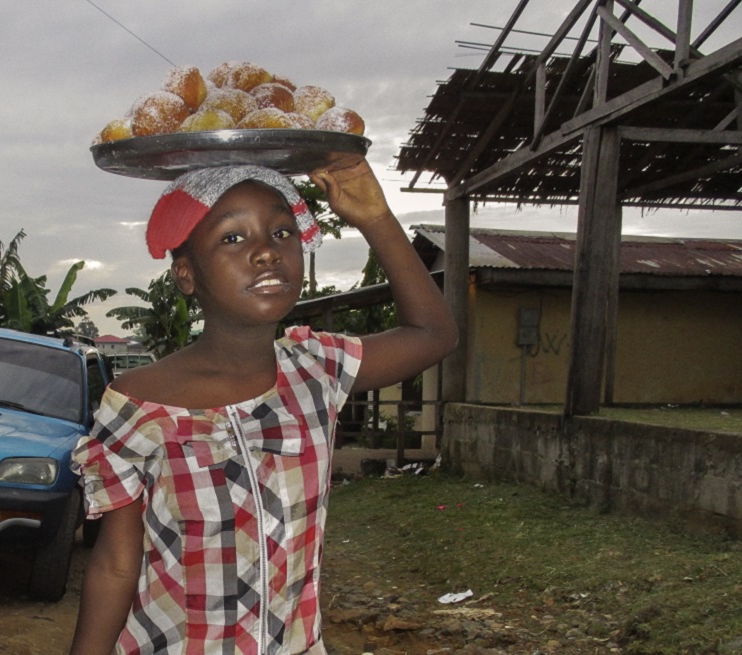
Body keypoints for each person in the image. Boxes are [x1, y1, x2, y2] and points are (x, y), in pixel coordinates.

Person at [69, 156, 458, 655]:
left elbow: (434, 334)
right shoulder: (138, 403)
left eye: (281, 233)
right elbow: (116, 565)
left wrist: (375, 217)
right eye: (233, 238)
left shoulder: (317, 370)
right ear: (186, 275)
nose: (265, 253)